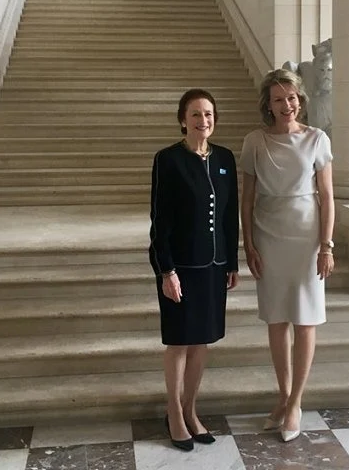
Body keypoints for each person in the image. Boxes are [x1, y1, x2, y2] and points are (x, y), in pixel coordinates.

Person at [239, 68, 334, 442]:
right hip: (268, 233)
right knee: (276, 320)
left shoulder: (317, 139)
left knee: (305, 318)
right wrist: (248, 243)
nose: (287, 105)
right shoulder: (254, 141)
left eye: (291, 97)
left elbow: (327, 197)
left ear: (300, 100)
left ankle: (296, 402)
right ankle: (282, 395)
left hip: (306, 235)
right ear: (268, 104)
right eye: (278, 99)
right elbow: (246, 198)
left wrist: (326, 245)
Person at [149, 88, 240, 451]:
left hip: (214, 267)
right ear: (182, 120)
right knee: (179, 341)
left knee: (202, 340)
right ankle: (173, 411)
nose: (204, 120)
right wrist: (165, 270)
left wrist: (231, 262)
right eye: (196, 114)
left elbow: (230, 214)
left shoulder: (225, 158)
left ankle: (191, 408)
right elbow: (159, 221)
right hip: (181, 267)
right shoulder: (168, 159)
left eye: (208, 114)